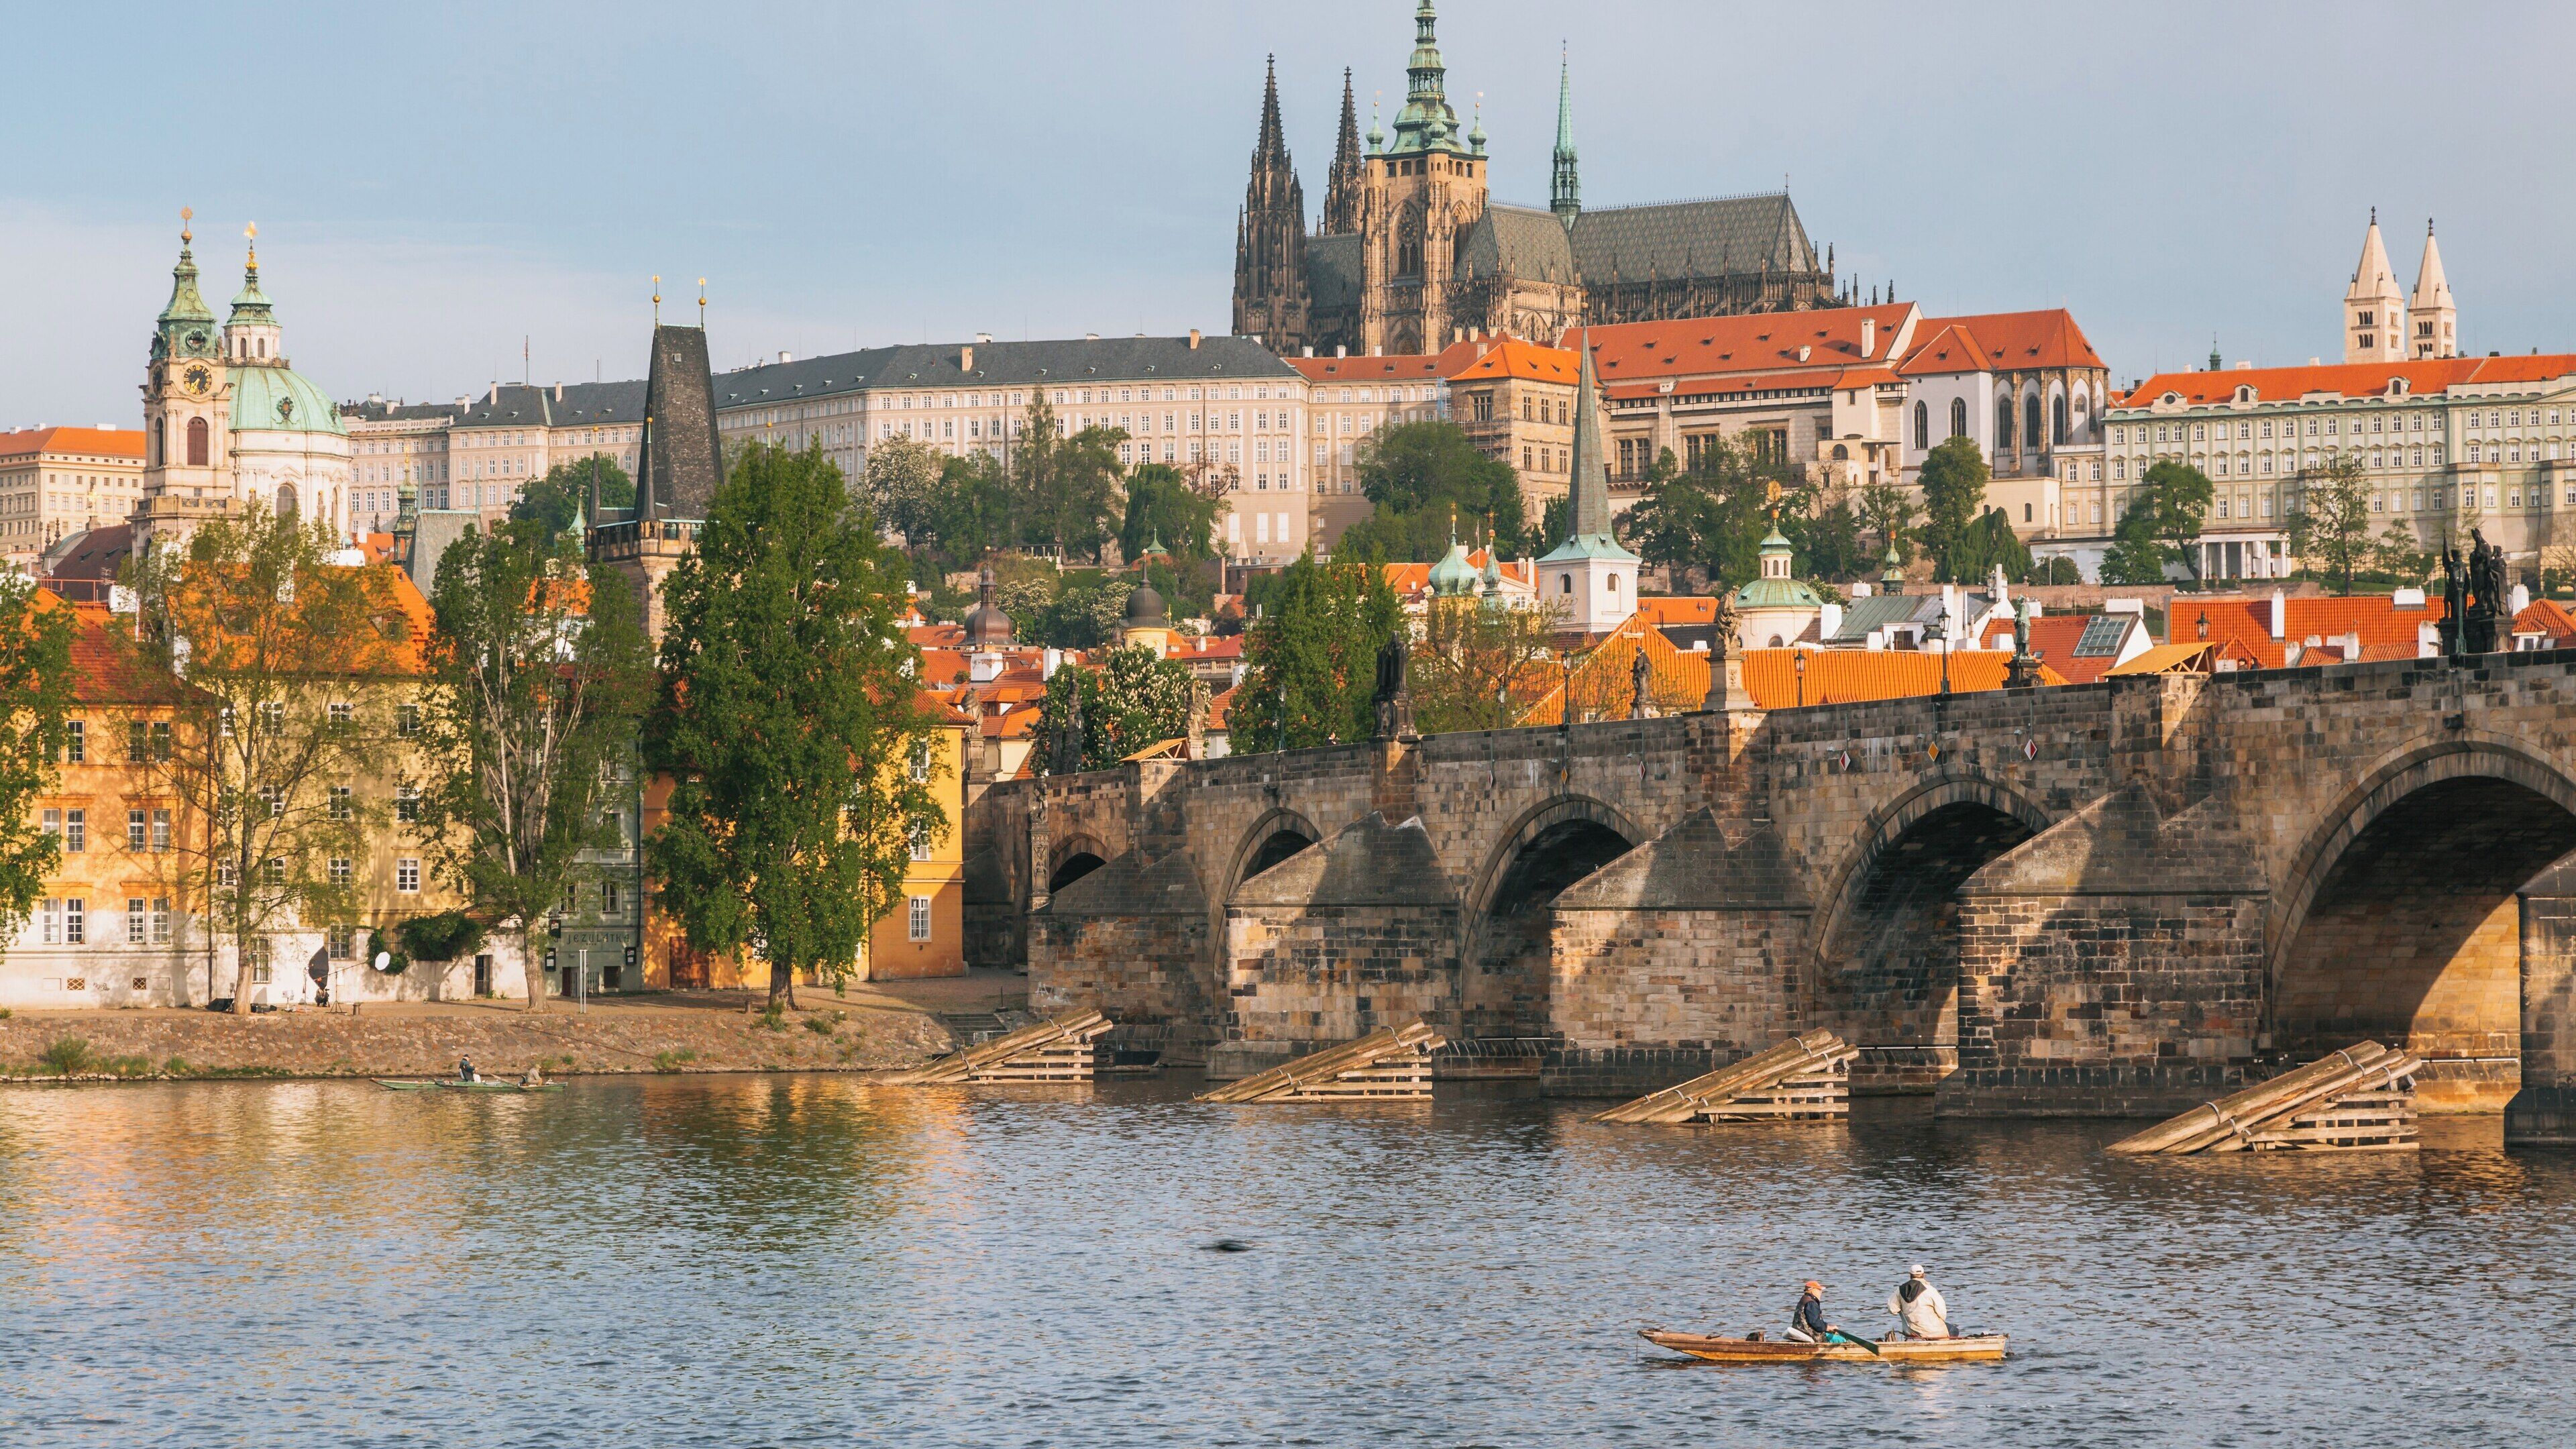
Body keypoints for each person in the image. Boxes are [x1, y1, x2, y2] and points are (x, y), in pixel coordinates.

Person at [1886, 1265, 1950, 1339]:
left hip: (1911, 1331)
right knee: (1953, 1329)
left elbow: (1892, 1309)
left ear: (1910, 1275)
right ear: (1924, 1275)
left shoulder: (1900, 1290)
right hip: (1934, 1332)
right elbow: (1942, 1313)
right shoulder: (1931, 1290)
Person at [1786, 1280, 1837, 1344]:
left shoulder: (1803, 1300)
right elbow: (1817, 1325)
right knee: (1842, 1340)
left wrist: (1827, 1328)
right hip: (1812, 1335)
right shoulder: (1811, 1303)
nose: (1821, 1292)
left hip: (1804, 1331)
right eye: (1819, 1290)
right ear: (1813, 1291)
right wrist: (1829, 1327)